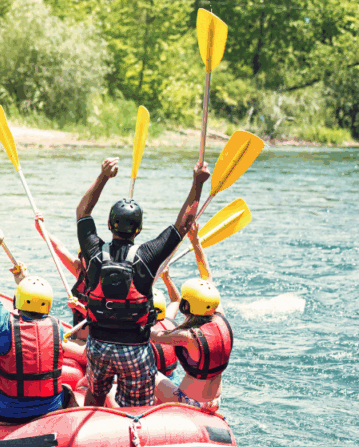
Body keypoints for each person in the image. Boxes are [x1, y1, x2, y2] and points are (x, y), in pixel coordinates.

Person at [75, 156, 210, 407]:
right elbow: (184, 224)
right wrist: (197, 183)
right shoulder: (148, 255)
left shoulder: (93, 251)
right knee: (138, 407)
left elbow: (82, 212)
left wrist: (103, 176)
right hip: (134, 349)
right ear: (138, 229)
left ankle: (94, 414)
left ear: (108, 224)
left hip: (98, 346)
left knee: (95, 394)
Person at [0, 224, 81, 423]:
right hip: (50, 407)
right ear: (48, 304)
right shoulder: (57, 327)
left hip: (9, 412)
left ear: (19, 299)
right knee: (67, 390)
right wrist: (24, 282)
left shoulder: (4, 324)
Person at [152, 223, 231, 410]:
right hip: (215, 402)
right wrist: (195, 241)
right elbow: (207, 276)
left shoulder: (187, 337)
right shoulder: (220, 317)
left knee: (149, 372)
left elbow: (152, 336)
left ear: (186, 306)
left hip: (190, 402)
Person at [34, 212, 89, 343]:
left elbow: (104, 317)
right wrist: (41, 229)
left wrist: (79, 307)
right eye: (86, 258)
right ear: (81, 258)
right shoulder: (80, 270)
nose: (90, 262)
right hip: (76, 339)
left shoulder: (105, 278)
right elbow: (59, 248)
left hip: (92, 345)